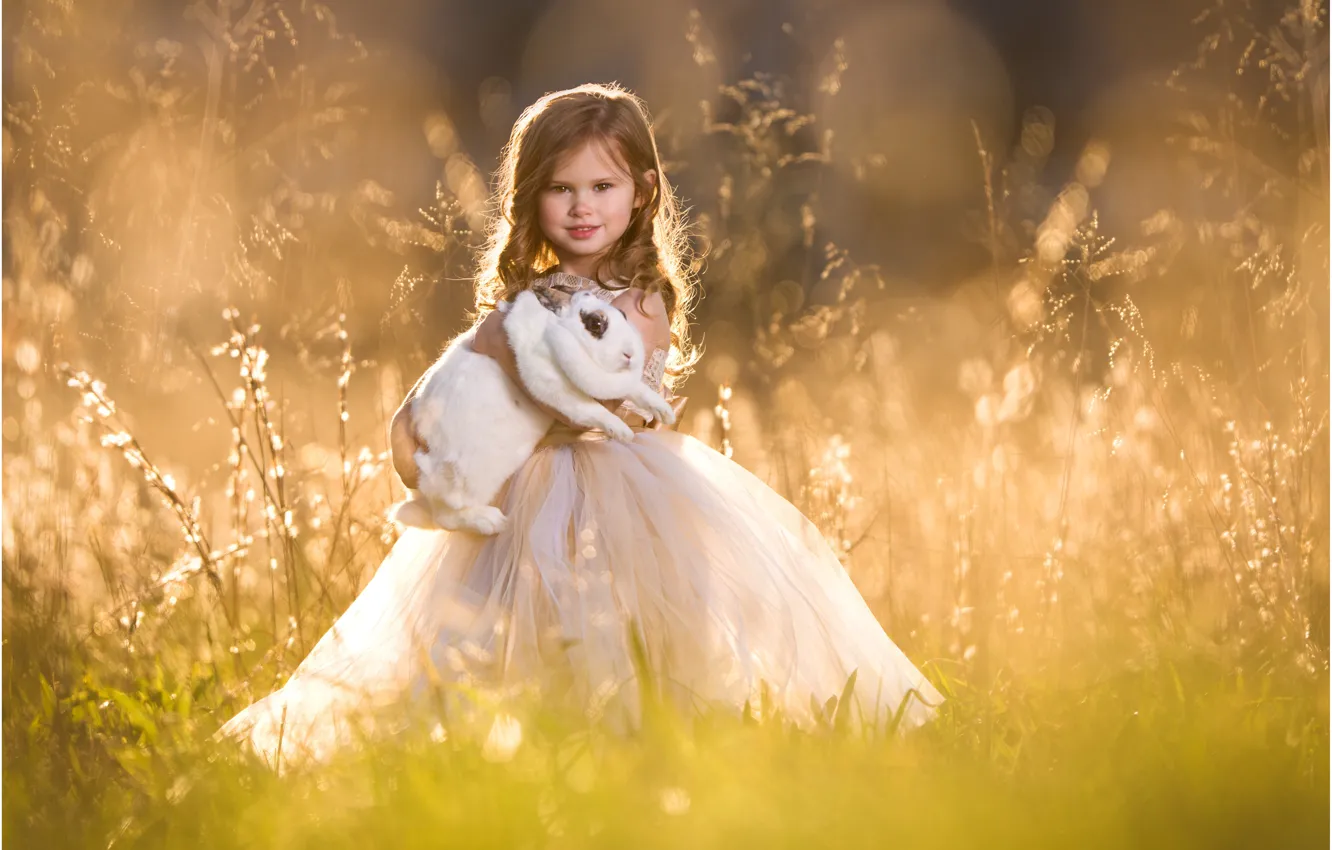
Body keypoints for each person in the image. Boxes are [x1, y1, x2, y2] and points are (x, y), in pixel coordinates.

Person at [219, 83, 942, 767]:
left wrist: (529, 391)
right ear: (530, 198)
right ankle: (513, 745)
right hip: (521, 486)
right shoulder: (528, 296)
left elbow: (610, 398)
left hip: (619, 484)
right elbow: (472, 368)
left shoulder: (641, 298)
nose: (581, 207)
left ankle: (640, 746)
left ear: (642, 192)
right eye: (560, 189)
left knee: (622, 621)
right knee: (504, 622)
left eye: (602, 187)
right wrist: (429, 421)